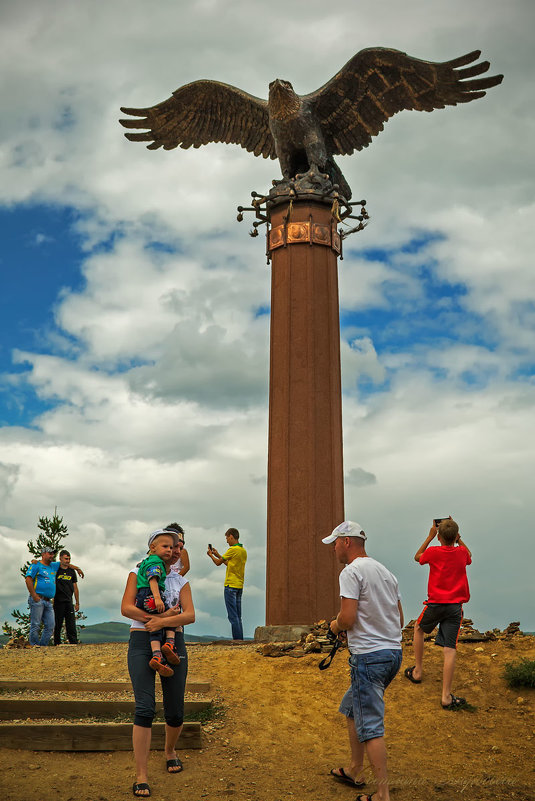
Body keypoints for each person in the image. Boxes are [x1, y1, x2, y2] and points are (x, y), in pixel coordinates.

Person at [324, 521, 403, 801]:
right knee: (352, 709)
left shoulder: (351, 571)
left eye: (335, 542)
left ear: (347, 542)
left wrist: (336, 627)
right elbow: (399, 618)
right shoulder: (386, 573)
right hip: (392, 653)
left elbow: (347, 617)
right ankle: (355, 769)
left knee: (369, 725)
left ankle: (383, 793)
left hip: (369, 657)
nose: (333, 548)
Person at [121, 527, 195, 798]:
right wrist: (154, 620)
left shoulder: (180, 582)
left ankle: (170, 750)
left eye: (179, 546)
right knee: (144, 707)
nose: (175, 550)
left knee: (175, 709)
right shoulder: (137, 571)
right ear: (155, 547)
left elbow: (190, 616)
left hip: (174, 642)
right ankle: (141, 774)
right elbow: (126, 607)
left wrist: (162, 621)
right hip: (141, 641)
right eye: (171, 546)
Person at [405, 517, 472, 710]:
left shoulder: (433, 552)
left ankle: (417, 671)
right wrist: (459, 540)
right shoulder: (461, 553)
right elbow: (469, 555)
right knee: (449, 649)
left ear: (439, 537)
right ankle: (446, 696)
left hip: (435, 603)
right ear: (455, 536)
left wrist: (429, 537)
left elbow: (418, 556)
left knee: (418, 628)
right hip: (454, 607)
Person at [135, 531, 180, 676]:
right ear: (153, 547)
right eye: (165, 546)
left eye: (171, 547)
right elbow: (153, 579)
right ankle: (169, 643)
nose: (169, 550)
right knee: (172, 617)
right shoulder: (157, 562)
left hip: (142, 597)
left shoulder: (145, 562)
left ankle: (157, 655)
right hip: (151, 596)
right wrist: (157, 598)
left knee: (155, 627)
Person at [25, 548, 83, 646]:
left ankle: (42, 646)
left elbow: (66, 564)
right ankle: (34, 645)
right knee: (36, 624)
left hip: (48, 601)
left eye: (53, 554)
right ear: (43, 554)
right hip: (38, 598)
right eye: (49, 553)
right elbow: (28, 579)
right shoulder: (36, 565)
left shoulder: (53, 566)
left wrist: (77, 568)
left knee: (51, 625)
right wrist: (34, 595)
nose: (52, 555)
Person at [207, 528, 247, 640]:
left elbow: (218, 563)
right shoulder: (243, 551)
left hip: (230, 586)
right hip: (239, 585)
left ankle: (237, 640)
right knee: (238, 616)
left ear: (231, 536)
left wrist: (211, 555)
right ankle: (240, 640)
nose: (226, 541)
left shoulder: (232, 549)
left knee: (232, 616)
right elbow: (229, 564)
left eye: (227, 538)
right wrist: (218, 554)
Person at [53, 549, 80, 645]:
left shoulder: (71, 571)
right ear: (60, 558)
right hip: (58, 600)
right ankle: (56, 643)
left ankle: (73, 643)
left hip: (69, 600)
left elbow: (75, 588)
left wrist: (77, 602)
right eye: (65, 559)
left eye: (69, 559)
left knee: (71, 624)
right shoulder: (56, 569)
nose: (67, 561)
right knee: (57, 623)